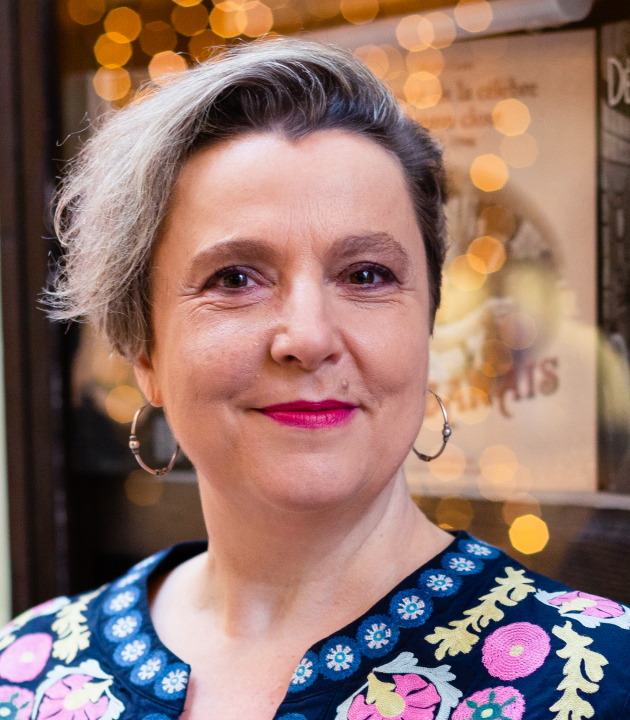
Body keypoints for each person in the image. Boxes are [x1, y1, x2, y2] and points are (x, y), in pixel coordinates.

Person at [0, 38, 628, 720]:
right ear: (143, 353)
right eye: (234, 279)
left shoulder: (601, 679)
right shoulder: (26, 676)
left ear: (426, 325)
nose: (308, 338)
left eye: (367, 275)